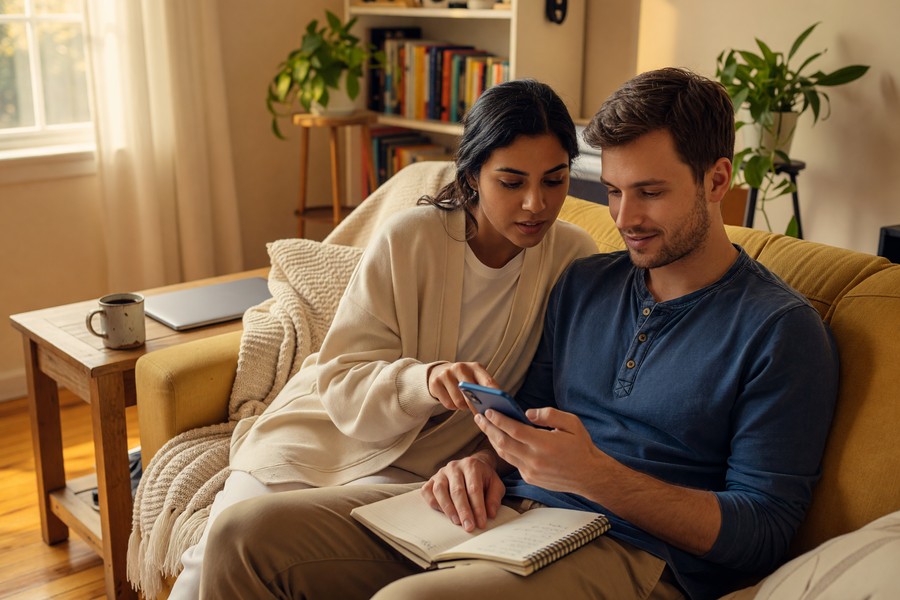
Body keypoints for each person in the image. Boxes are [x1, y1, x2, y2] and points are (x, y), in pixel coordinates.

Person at [199, 68, 839, 600]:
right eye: (612, 191)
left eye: (650, 193)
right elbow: (527, 417)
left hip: (634, 552)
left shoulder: (781, 332)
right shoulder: (585, 281)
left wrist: (596, 477)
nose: (626, 218)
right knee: (244, 535)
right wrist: (478, 463)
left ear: (717, 182)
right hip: (508, 513)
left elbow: (764, 530)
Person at [166, 78, 597, 598]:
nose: (536, 204)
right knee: (210, 561)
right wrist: (425, 380)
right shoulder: (410, 238)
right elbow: (341, 375)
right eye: (512, 182)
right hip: (329, 432)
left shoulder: (574, 256)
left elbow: (556, 388)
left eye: (554, 180)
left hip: (431, 466)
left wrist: (488, 459)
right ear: (472, 177)